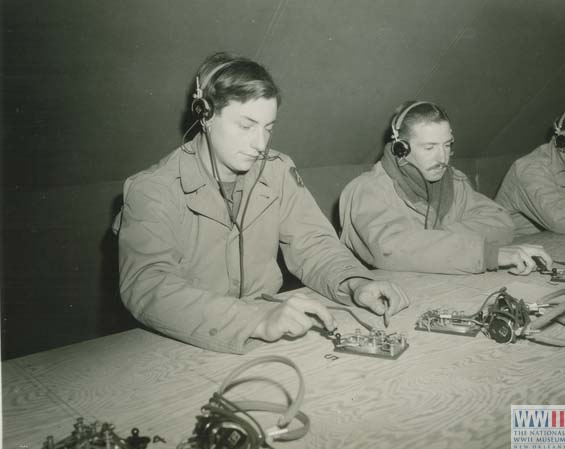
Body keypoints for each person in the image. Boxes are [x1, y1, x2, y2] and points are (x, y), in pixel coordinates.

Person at [114, 52, 410, 354]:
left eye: (268, 128)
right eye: (246, 126)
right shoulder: (153, 188)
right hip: (185, 341)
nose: (260, 144)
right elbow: (149, 285)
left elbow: (312, 243)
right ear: (205, 115)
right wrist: (254, 320)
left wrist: (355, 282)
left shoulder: (277, 170)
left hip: (267, 336)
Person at [340, 101, 553, 275]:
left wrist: (434, 240)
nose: (442, 158)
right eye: (429, 147)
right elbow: (390, 248)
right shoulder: (366, 190)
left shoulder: (453, 181)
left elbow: (501, 222)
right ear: (401, 149)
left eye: (447, 145)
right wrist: (485, 253)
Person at [495, 112, 565, 236]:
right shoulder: (531, 169)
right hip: (514, 245)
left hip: (548, 237)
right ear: (561, 142)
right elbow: (560, 220)